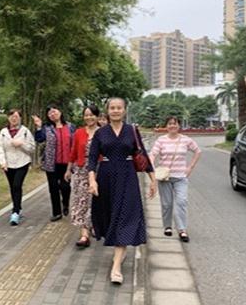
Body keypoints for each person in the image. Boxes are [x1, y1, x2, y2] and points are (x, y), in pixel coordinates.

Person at [88, 97, 156, 284]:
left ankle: (116, 266)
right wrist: (92, 180)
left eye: (119, 108)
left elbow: (142, 154)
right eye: (112, 108)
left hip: (128, 178)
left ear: (124, 110)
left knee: (125, 218)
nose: (116, 110)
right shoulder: (101, 133)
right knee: (111, 217)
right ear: (107, 111)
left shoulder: (131, 130)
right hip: (106, 179)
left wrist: (153, 179)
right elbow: (92, 159)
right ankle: (120, 251)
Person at [149, 116, 201, 242]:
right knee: (167, 204)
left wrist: (190, 167)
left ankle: (182, 229)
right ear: (166, 126)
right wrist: (152, 168)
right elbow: (153, 154)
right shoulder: (161, 140)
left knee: (182, 202)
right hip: (165, 177)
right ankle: (167, 226)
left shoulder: (185, 140)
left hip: (181, 177)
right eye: (170, 123)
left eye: (175, 123)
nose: (172, 126)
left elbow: (198, 151)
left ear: (179, 125)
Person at [64, 105, 100, 248]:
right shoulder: (79, 132)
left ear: (97, 116)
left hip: (99, 170)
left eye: (91, 115)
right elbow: (73, 152)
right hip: (81, 170)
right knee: (81, 201)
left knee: (95, 200)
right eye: (86, 115)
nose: (89, 117)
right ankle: (84, 234)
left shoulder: (104, 132)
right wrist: (68, 170)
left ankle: (95, 225)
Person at [33, 104, 76, 222]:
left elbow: (75, 143)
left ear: (60, 112)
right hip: (51, 163)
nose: (52, 114)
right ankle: (56, 212)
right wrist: (38, 127)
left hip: (67, 163)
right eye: (50, 113)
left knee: (65, 187)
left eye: (54, 111)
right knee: (53, 188)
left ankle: (65, 203)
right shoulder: (46, 128)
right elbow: (39, 139)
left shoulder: (71, 126)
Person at [0, 109, 35, 226]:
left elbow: (32, 148)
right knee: (13, 187)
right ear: (8, 118)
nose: (14, 119)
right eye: (11, 116)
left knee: (17, 185)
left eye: (16, 116)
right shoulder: (3, 132)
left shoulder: (25, 131)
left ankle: (15, 212)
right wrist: (2, 162)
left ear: (20, 118)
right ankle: (18, 207)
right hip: (8, 164)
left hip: (22, 162)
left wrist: (21, 144)